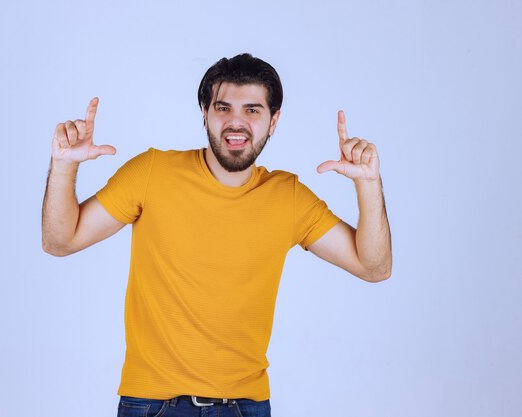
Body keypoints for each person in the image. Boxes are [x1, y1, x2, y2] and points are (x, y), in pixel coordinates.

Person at [42, 53, 392, 417]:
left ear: (274, 121)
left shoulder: (288, 197)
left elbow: (374, 267)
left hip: (245, 407)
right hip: (151, 404)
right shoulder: (152, 173)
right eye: (223, 107)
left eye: (253, 110)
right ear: (205, 114)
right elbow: (60, 240)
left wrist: (368, 184)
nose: (236, 122)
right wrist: (64, 164)